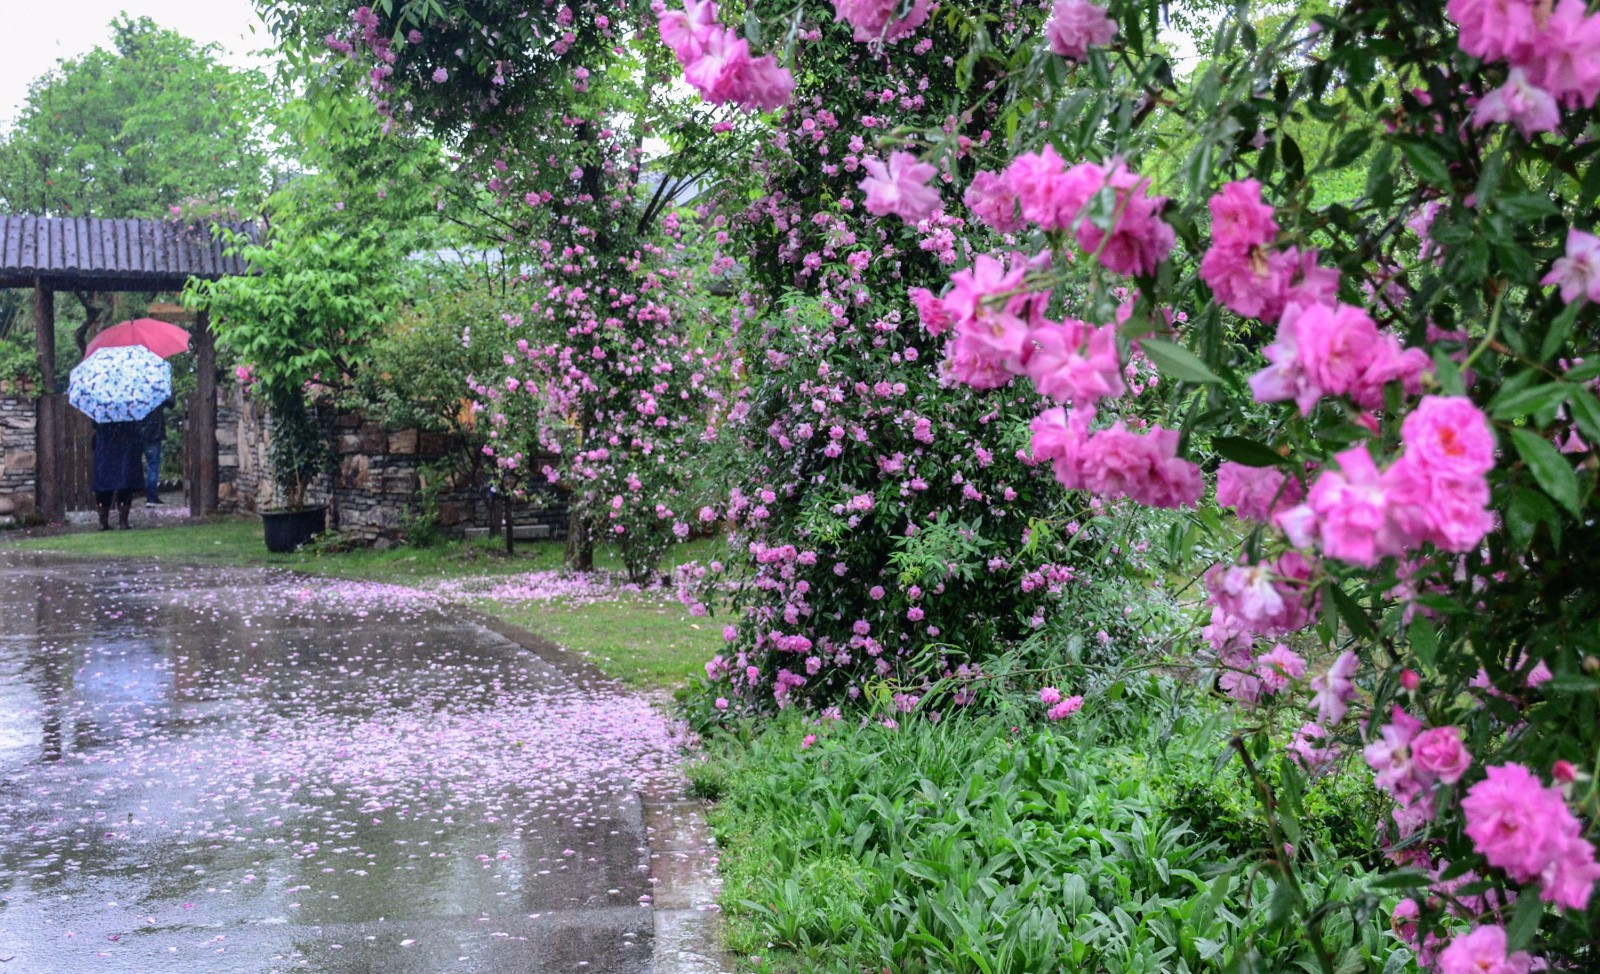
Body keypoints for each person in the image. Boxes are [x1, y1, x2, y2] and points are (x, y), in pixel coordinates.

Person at [92, 420, 144, 530]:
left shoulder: (101, 407)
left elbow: (94, 423)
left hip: (105, 445)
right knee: (125, 481)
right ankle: (123, 521)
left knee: (104, 483)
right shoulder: (129, 407)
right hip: (125, 444)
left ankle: (103, 522)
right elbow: (137, 425)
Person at [138, 397, 173, 505]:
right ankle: (151, 497)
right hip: (154, 433)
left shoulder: (137, 392)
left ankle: (137, 494)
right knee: (152, 466)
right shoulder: (157, 392)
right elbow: (171, 403)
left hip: (138, 432)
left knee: (136, 465)